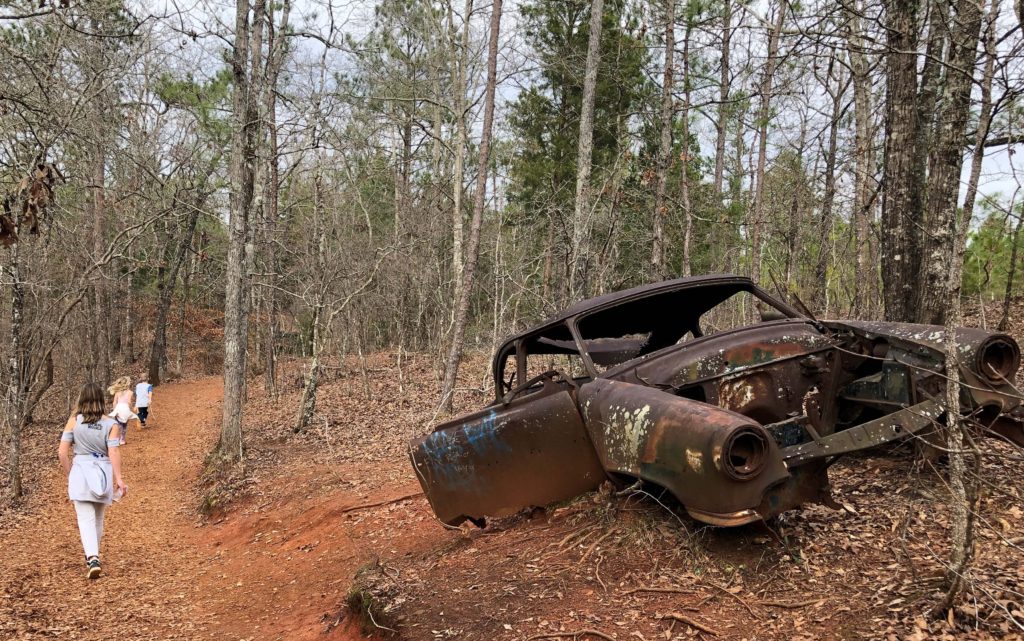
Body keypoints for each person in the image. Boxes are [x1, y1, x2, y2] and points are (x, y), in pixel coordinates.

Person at [58, 382, 128, 579]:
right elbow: (113, 451)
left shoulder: (74, 421)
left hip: (80, 469)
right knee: (97, 517)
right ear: (100, 400)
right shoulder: (111, 424)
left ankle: (93, 557)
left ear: (82, 399)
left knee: (85, 518)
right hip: (102, 471)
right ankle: (93, 556)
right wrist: (119, 479)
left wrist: (70, 473)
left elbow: (62, 452)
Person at [108, 376, 137, 446]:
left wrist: (115, 410)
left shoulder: (117, 392)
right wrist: (131, 409)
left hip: (118, 409)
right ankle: (122, 439)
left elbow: (114, 402)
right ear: (127, 384)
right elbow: (129, 402)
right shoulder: (130, 392)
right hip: (126, 409)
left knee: (118, 425)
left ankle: (116, 439)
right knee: (124, 425)